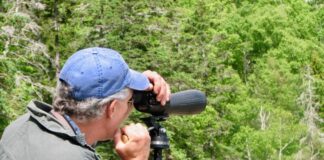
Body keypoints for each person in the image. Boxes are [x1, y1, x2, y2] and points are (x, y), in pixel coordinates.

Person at [0, 47, 171, 160]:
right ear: (112, 108)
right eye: (130, 101)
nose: (131, 108)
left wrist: (133, 85)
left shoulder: (22, 126)